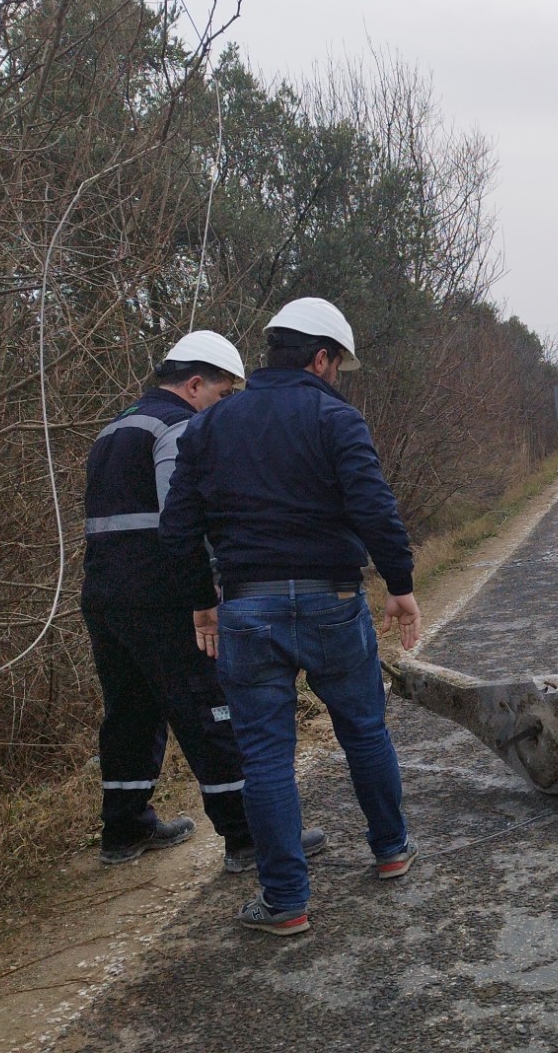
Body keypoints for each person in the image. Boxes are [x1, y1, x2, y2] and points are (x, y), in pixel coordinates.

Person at [161, 298, 422, 937]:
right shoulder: (338, 419)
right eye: (337, 366)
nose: (336, 377)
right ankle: (390, 850)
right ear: (321, 357)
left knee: (266, 757)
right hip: (333, 601)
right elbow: (373, 506)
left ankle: (286, 902)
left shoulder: (211, 426)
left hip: (246, 608)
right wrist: (401, 584)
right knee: (363, 729)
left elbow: (179, 531)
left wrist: (203, 603)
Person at [82, 331, 325, 872]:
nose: (223, 409)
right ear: (195, 385)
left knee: (130, 710)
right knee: (210, 709)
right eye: (220, 396)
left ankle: (124, 829)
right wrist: (208, 591)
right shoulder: (177, 427)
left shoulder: (115, 427)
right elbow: (185, 520)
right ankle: (248, 837)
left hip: (103, 596)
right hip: (164, 597)